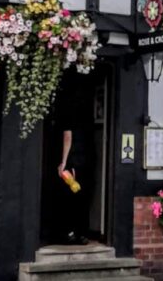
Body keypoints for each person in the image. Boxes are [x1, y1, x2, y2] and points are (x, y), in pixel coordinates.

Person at [52, 75, 91, 245]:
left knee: (68, 200)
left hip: (73, 162)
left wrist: (64, 162)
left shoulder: (68, 112)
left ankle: (70, 233)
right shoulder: (84, 112)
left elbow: (68, 137)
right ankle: (80, 233)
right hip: (84, 160)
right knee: (80, 198)